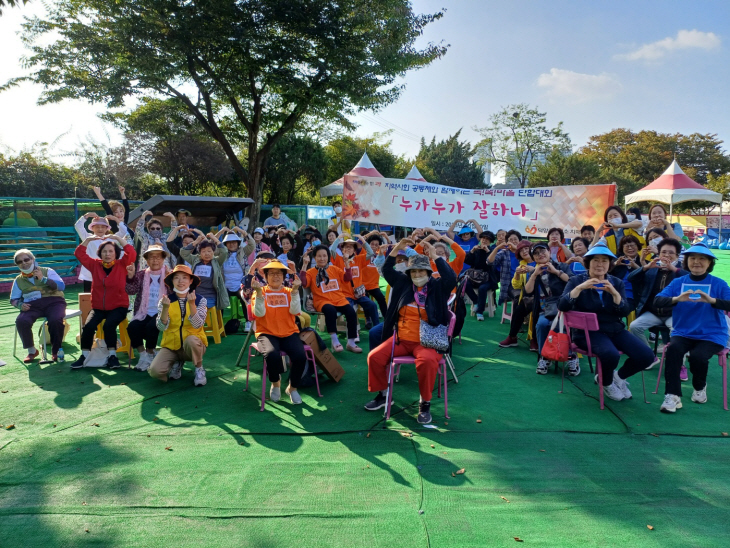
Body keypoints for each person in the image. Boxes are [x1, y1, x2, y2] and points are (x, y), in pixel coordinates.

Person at [364, 241, 456, 425]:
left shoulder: (437, 288)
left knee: (428, 362)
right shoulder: (404, 284)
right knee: (374, 357)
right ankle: (384, 395)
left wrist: (435, 256)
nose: (417, 275)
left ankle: (425, 403)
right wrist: (396, 249)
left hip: (426, 342)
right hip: (400, 340)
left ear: (428, 273)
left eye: (421, 271)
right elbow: (387, 270)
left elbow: (451, 279)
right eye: (413, 272)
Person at [558, 244, 655, 401]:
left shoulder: (616, 283)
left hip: (614, 330)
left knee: (647, 356)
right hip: (587, 333)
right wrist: (580, 289)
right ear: (588, 263)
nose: (600, 264)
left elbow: (624, 311)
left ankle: (618, 377)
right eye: (595, 260)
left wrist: (615, 294)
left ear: (610, 264)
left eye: (604, 261)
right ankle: (606, 383)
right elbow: (562, 306)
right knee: (610, 354)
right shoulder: (576, 280)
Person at [655, 244, 730, 413]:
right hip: (683, 332)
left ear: (709, 263)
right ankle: (672, 396)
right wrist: (677, 298)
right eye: (692, 258)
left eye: (702, 258)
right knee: (673, 349)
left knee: (698, 356)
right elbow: (657, 301)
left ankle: (699, 386)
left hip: (712, 334)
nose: (697, 262)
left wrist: (712, 301)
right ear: (686, 261)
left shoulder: (719, 284)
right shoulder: (678, 282)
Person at [70, 234, 137, 370]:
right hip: (98, 308)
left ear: (116, 253)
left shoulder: (122, 264)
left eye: (111, 251)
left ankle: (113, 356)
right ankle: (84, 355)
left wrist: (117, 239)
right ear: (100, 253)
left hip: (119, 306)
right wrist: (89, 239)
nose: (107, 254)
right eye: (104, 251)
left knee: (109, 326)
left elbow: (131, 252)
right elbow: (79, 253)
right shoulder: (95, 264)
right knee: (88, 327)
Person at [251, 260, 308, 404]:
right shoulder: (260, 291)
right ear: (266, 276)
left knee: (300, 356)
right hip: (266, 332)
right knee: (271, 355)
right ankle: (275, 383)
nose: (275, 276)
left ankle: (293, 388)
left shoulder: (289, 292)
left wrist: (295, 292)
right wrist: (258, 293)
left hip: (289, 332)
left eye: (279, 274)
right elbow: (259, 313)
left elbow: (295, 311)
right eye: (271, 274)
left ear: (283, 276)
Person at [148, 264, 209, 386]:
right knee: (155, 371)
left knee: (191, 340)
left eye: (184, 277)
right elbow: (161, 327)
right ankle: (177, 363)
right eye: (176, 278)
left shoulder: (200, 300)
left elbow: (197, 325)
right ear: (172, 281)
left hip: (193, 345)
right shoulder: (165, 300)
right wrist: (165, 308)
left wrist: (192, 305)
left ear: (191, 281)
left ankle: (199, 368)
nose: (180, 281)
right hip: (172, 346)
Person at [522, 242, 577, 375]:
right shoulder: (534, 271)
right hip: (545, 310)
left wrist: (557, 272)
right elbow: (527, 291)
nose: (540, 255)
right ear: (533, 258)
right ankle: (545, 357)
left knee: (562, 325)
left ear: (548, 252)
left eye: (542, 251)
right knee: (541, 325)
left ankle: (571, 357)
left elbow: (573, 281)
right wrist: (534, 274)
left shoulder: (562, 265)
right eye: (536, 253)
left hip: (565, 309)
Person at [627, 238, 687, 359]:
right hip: (653, 312)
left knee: (679, 331)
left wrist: (673, 269)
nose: (666, 255)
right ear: (658, 254)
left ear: (677, 255)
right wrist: (646, 267)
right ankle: (649, 356)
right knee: (634, 326)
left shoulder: (681, 270)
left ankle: (679, 364)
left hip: (674, 313)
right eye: (663, 252)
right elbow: (631, 278)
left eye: (671, 253)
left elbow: (691, 280)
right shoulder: (653, 268)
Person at [300, 244, 361, 353]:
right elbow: (304, 283)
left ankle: (351, 343)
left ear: (328, 257)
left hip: (339, 299)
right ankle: (335, 340)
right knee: (330, 310)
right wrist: (305, 265)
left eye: (324, 256)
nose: (322, 258)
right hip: (322, 301)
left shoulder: (334, 269)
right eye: (319, 256)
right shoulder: (310, 272)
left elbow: (347, 278)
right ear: (314, 257)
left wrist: (346, 262)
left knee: (351, 312)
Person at [10, 249, 67, 362]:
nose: (24, 263)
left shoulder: (47, 271)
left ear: (33, 259)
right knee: (21, 321)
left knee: (55, 320)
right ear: (17, 265)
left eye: (26, 259)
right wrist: (20, 305)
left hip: (54, 302)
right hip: (33, 305)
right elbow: (13, 299)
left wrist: (43, 279)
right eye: (20, 262)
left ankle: (56, 351)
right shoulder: (18, 280)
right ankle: (32, 351)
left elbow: (61, 287)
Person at [126, 245, 169, 371]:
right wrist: (130, 276)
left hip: (162, 311)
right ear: (146, 260)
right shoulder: (140, 275)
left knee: (152, 326)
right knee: (132, 327)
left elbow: (173, 293)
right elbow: (131, 291)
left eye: (158, 257)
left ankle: (150, 353)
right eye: (151, 257)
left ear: (163, 259)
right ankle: (143, 355)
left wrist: (169, 281)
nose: (155, 260)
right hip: (143, 311)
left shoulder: (169, 274)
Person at [330, 235, 380, 330]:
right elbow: (331, 251)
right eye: (346, 247)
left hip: (359, 294)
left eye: (351, 247)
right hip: (345, 295)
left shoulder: (359, 259)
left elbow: (370, 253)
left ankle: (377, 328)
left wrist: (362, 240)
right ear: (342, 250)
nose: (348, 248)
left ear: (354, 250)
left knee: (373, 305)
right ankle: (353, 331)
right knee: (350, 310)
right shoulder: (339, 260)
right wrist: (338, 238)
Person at [498, 241, 538, 350]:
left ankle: (535, 339)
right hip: (528, 297)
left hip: (543, 296)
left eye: (526, 249)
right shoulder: (522, 265)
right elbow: (516, 285)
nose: (524, 252)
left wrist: (533, 270)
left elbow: (546, 274)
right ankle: (512, 337)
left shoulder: (540, 261)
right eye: (521, 251)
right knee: (518, 309)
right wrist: (517, 274)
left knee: (536, 310)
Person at [181, 233, 229, 311]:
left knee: (201, 309)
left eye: (209, 251)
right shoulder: (195, 260)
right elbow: (183, 252)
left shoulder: (216, 261)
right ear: (199, 253)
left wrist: (214, 239)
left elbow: (224, 252)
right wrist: (196, 242)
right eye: (203, 251)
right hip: (195, 295)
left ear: (213, 252)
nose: (207, 254)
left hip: (210, 296)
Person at [74, 214, 118, 292]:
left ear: (106, 228)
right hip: (90, 274)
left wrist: (116, 219)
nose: (100, 229)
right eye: (97, 227)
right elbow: (78, 226)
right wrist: (87, 215)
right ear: (92, 228)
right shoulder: (87, 237)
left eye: (103, 227)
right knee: (88, 298)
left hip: (107, 273)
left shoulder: (111, 239)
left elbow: (124, 231)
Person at [464, 231, 497, 321]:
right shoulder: (476, 250)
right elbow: (467, 261)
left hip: (488, 279)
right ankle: (476, 301)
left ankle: (480, 312)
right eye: (483, 238)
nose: (485, 240)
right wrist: (471, 251)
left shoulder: (492, 251)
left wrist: (487, 252)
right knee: (464, 283)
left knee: (482, 288)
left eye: (487, 239)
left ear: (490, 242)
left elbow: (493, 265)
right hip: (475, 277)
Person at [487, 229, 523, 306]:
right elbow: (489, 262)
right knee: (519, 296)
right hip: (510, 285)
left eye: (515, 239)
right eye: (511, 240)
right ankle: (517, 317)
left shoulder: (524, 252)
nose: (513, 241)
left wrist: (517, 249)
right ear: (507, 242)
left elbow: (530, 259)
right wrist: (497, 248)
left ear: (519, 241)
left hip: (525, 282)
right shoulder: (504, 252)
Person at [610, 234, 643, 311]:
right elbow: (605, 274)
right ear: (622, 248)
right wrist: (614, 265)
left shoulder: (643, 262)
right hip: (615, 294)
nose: (630, 248)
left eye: (633, 245)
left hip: (633, 297)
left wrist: (636, 267)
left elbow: (648, 278)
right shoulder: (615, 260)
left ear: (638, 247)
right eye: (627, 246)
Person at [363, 234, 388, 317]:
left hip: (374, 285)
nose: (374, 246)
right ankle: (368, 319)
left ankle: (387, 318)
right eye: (372, 244)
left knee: (381, 299)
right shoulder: (363, 253)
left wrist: (386, 237)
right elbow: (359, 241)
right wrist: (371, 233)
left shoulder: (380, 254)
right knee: (366, 300)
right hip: (362, 285)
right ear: (368, 244)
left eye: (376, 245)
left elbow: (390, 245)